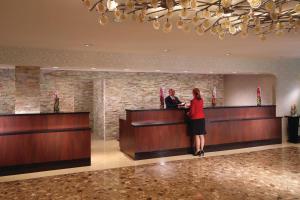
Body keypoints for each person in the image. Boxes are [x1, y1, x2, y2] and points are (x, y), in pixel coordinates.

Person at [188, 88, 206, 157]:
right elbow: (198, 107)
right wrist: (190, 105)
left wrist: (188, 114)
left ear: (193, 93)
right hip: (202, 119)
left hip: (195, 119)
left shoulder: (193, 101)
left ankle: (197, 150)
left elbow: (192, 112)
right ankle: (202, 150)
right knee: (201, 135)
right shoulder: (201, 100)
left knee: (196, 135)